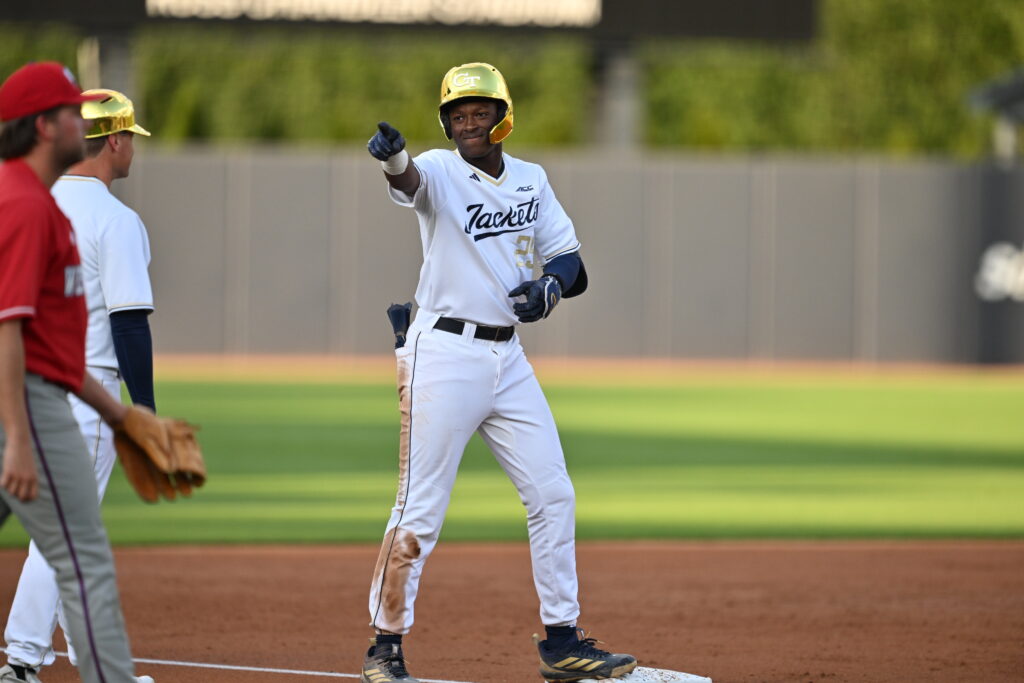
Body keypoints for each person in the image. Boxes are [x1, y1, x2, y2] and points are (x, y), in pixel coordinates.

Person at [361, 62, 637, 683]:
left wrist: (549, 289)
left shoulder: (531, 180)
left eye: (478, 111)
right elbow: (408, 183)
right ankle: (385, 646)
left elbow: (571, 261)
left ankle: (562, 641)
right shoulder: (436, 167)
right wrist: (392, 158)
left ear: (502, 115)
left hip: (507, 359)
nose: (467, 122)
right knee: (419, 507)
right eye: (457, 114)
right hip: (444, 353)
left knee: (552, 492)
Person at [0, 62, 152, 683]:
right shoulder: (106, 218)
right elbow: (129, 324)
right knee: (68, 539)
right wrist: (138, 409)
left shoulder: (40, 199)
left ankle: (64, 659)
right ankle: (23, 658)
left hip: (53, 384)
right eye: (130, 137)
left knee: (71, 536)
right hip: (62, 395)